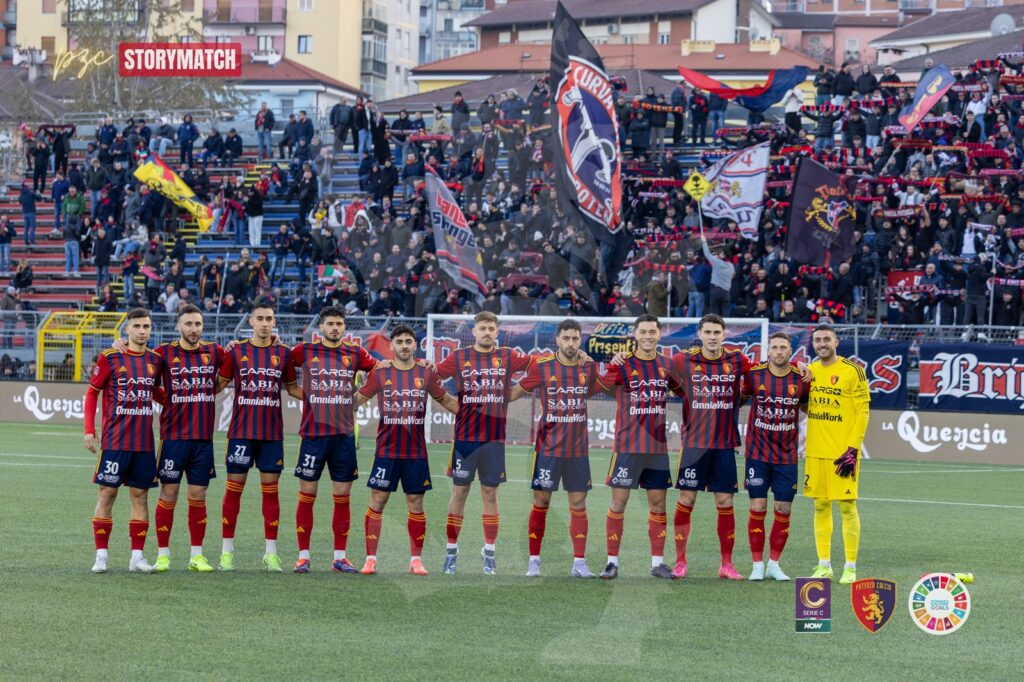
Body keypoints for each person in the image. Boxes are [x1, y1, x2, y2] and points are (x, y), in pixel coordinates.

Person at [434, 311, 535, 575]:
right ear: (474, 331)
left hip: (494, 439)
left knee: (490, 493)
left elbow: (538, 366)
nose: (487, 332)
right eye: (483, 328)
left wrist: (515, 392)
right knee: (459, 493)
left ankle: (489, 552)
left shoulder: (508, 356)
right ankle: (451, 552)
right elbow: (431, 376)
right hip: (465, 439)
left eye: (491, 328)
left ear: (497, 332)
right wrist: (448, 402)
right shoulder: (459, 357)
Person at [353, 325, 459, 575]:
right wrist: (338, 401)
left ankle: (416, 561)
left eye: (408, 341)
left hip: (415, 452)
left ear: (415, 345)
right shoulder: (380, 372)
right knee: (378, 500)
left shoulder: (426, 372)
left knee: (416, 503)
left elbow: (445, 400)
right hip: (386, 450)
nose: (403, 345)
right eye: (399, 341)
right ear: (391, 346)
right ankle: (370, 559)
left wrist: (473, 415)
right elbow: (358, 399)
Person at [287, 306, 381, 574]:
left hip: (343, 436)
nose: (335, 328)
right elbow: (280, 362)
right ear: (321, 327)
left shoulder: (355, 353)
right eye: (330, 324)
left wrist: (360, 396)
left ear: (344, 326)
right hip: (313, 435)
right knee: (307, 495)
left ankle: (340, 557)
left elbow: (380, 369)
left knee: (342, 496)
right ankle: (303, 556)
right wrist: (304, 393)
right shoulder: (304, 350)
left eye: (339, 324)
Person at [594, 315, 683, 580]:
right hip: (627, 447)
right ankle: (611, 563)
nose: (647, 336)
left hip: (657, 449)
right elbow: (600, 386)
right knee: (618, 504)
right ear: (635, 334)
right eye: (643, 331)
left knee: (658, 505)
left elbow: (684, 391)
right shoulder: (623, 364)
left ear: (659, 334)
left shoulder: (667, 364)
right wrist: (610, 364)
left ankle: (657, 564)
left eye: (652, 332)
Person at [214, 301, 301, 572]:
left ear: (274, 322)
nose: (265, 323)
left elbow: (293, 389)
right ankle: (226, 552)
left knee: (271, 494)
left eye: (269, 319)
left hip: (271, 435)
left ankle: (271, 554)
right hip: (241, 433)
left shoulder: (283, 353)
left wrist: (326, 398)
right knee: (233, 491)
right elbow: (218, 385)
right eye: (260, 318)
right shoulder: (236, 351)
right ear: (250, 321)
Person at [509, 318, 599, 578]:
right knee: (541, 501)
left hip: (578, 450)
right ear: (557, 339)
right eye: (566, 338)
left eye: (575, 338)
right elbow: (514, 393)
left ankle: (579, 563)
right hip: (548, 448)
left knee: (578, 504)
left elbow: (603, 387)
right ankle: (534, 562)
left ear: (580, 340)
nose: (571, 343)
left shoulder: (589, 366)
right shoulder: (543, 366)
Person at [667, 314, 753, 580]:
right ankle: (680, 562)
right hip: (694, 444)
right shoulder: (683, 360)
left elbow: (757, 378)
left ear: (724, 335)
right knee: (686, 499)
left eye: (717, 332)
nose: (713, 337)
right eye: (708, 332)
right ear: (700, 334)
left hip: (724, 443)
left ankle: (726, 565)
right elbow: (663, 374)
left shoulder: (738, 360)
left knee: (725, 501)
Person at [84, 308, 163, 573]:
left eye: (146, 326)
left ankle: (137, 558)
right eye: (137, 326)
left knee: (140, 497)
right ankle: (101, 556)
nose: (142, 331)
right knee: (107, 494)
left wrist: (182, 402)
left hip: (143, 444)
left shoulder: (155, 360)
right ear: (127, 329)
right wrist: (89, 429)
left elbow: (157, 392)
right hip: (115, 442)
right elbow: (92, 393)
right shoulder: (110, 357)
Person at [801, 324, 870, 585]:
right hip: (815, 451)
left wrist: (853, 448)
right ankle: (824, 565)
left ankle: (850, 568)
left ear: (836, 342)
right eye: (817, 340)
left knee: (847, 506)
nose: (822, 344)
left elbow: (863, 412)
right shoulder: (810, 372)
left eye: (826, 339)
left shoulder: (853, 371)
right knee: (820, 505)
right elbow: (808, 406)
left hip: (843, 453)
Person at [741, 332, 808, 581]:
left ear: (790, 351)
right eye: (775, 347)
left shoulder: (802, 377)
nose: (779, 351)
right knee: (757, 507)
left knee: (783, 509)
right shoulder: (754, 373)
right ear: (768, 351)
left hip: (787, 456)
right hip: (757, 454)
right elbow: (741, 397)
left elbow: (807, 406)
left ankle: (774, 564)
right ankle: (757, 565)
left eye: (783, 348)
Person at [702, 235, 733, 316]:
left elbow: (707, 254)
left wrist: (704, 242)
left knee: (714, 312)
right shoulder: (731, 265)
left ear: (723, 254)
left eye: (720, 252)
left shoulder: (716, 262)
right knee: (726, 313)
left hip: (716, 290)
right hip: (726, 292)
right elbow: (733, 275)